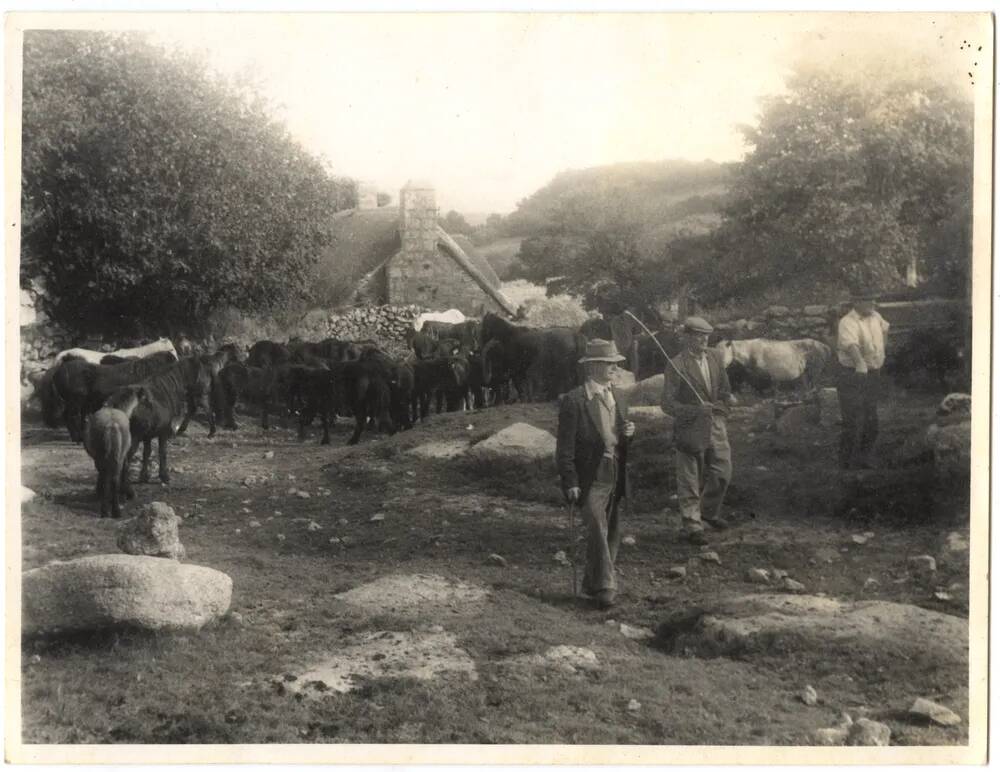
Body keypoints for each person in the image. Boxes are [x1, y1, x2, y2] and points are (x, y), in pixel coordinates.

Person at [556, 339, 636, 609]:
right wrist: (570, 481)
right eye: (610, 363)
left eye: (615, 363)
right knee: (595, 524)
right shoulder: (574, 400)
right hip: (590, 474)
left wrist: (628, 434)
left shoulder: (619, 396)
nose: (615, 368)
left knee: (612, 527)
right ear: (593, 367)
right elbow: (564, 448)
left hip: (615, 469)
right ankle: (607, 586)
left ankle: (593, 585)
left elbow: (618, 434)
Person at [661, 316, 732, 546]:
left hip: (715, 424)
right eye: (699, 336)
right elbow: (667, 404)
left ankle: (708, 512)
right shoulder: (676, 365)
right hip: (689, 427)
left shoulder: (715, 357)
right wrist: (694, 410)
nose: (704, 340)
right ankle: (692, 525)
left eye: (707, 336)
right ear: (687, 337)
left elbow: (724, 391)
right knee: (689, 477)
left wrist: (721, 409)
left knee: (722, 472)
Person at [836, 292, 890, 470]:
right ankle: (846, 462)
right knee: (852, 417)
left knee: (871, 416)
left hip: (873, 372)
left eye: (874, 299)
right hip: (852, 374)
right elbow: (851, 344)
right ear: (857, 302)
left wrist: (881, 354)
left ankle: (865, 457)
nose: (874, 302)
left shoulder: (875, 316)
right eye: (869, 299)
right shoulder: (848, 322)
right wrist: (860, 363)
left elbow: (885, 329)